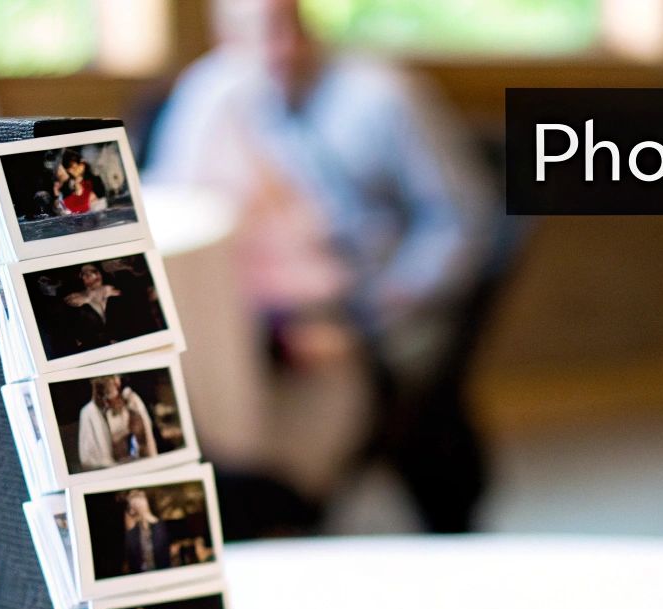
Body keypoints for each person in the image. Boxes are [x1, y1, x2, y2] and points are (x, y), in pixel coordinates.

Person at [146, 0, 496, 533]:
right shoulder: (222, 99)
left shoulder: (382, 97)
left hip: (366, 307)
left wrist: (368, 319)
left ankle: (279, 500)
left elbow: (463, 220)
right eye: (250, 34)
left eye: (285, 27)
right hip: (265, 309)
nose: (275, 49)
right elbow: (174, 198)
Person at [77, 374, 157, 471]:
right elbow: (90, 461)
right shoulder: (89, 413)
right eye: (108, 380)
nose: (116, 382)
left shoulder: (132, 401)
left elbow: (147, 444)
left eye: (116, 378)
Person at [120, 489, 171, 575]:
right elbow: (131, 544)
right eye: (134, 497)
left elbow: (163, 546)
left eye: (140, 497)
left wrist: (145, 511)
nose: (137, 502)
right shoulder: (131, 522)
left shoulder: (158, 524)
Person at [55, 148, 108, 215]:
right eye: (69, 169)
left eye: (75, 167)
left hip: (94, 212)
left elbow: (99, 201)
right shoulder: (67, 185)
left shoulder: (94, 180)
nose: (73, 170)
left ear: (82, 164)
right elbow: (63, 206)